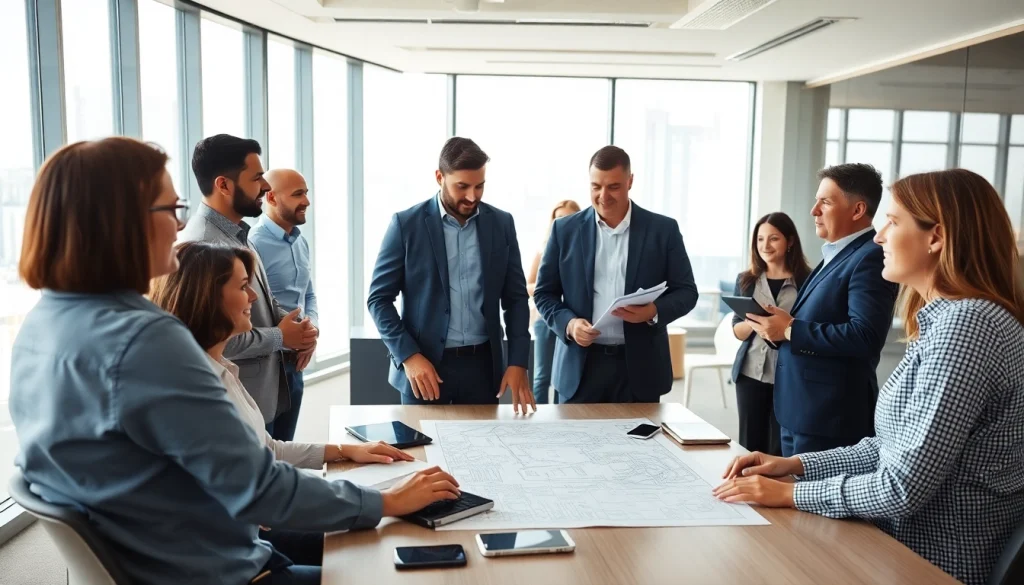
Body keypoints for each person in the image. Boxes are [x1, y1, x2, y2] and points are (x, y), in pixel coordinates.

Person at [9, 137, 461, 585]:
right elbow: (258, 488)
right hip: (219, 570)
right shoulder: (145, 342)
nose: (180, 223)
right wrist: (386, 501)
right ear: (121, 222)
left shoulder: (42, 326)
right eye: (171, 209)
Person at [714, 169, 1024, 585]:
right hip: (900, 545)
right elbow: (889, 448)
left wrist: (790, 492)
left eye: (892, 223)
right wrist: (795, 465)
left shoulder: (966, 326)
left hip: (930, 559)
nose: (878, 237)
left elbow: (901, 488)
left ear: (936, 237)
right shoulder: (945, 321)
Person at [367, 137, 533, 412]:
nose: (472, 196)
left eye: (479, 186)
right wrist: (409, 356)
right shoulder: (406, 225)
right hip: (425, 369)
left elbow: (515, 298)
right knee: (421, 442)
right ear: (439, 177)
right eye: (462, 186)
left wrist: (518, 362)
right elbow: (378, 300)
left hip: (483, 370)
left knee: (483, 441)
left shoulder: (501, 223)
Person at [746, 163, 898, 456]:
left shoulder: (869, 257)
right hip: (801, 410)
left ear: (857, 210)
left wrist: (790, 329)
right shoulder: (835, 254)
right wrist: (776, 330)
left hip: (829, 417)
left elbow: (865, 336)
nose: (814, 210)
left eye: (825, 202)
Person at [534, 146, 699, 403]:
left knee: (639, 432)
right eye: (596, 186)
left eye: (613, 187)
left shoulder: (663, 230)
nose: (603, 196)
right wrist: (570, 324)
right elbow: (544, 294)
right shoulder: (564, 231)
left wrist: (653, 311)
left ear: (630, 181)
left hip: (640, 369)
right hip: (580, 367)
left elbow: (687, 292)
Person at [179, 134, 318, 434]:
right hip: (237, 405)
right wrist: (282, 337)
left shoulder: (238, 234)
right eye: (257, 178)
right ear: (224, 185)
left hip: (265, 396)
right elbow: (212, 339)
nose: (266, 187)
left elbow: (265, 301)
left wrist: (302, 330)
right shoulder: (203, 245)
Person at [730, 212, 811, 455]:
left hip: (790, 375)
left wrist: (782, 325)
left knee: (781, 447)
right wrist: (755, 321)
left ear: (790, 241)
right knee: (749, 444)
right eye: (760, 239)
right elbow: (737, 330)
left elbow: (810, 325)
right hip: (750, 373)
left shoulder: (807, 280)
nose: (765, 246)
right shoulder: (746, 280)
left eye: (773, 238)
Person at [248, 168, 317, 441]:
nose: (307, 201)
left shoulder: (301, 242)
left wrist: (312, 331)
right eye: (298, 194)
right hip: (266, 366)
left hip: (295, 365)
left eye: (306, 193)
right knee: (266, 452)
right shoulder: (253, 244)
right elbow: (252, 310)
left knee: (287, 451)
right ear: (271, 198)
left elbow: (308, 295)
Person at [527, 200, 581, 405]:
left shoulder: (583, 250)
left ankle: (562, 415)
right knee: (542, 375)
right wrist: (549, 288)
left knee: (567, 375)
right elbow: (528, 286)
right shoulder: (543, 251)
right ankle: (540, 416)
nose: (562, 222)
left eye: (567, 217)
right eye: (558, 218)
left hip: (575, 321)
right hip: (545, 319)